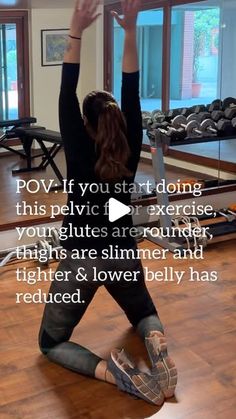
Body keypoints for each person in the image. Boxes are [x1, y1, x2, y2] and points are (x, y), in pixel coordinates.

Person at [39, 0, 177, 406]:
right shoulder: (131, 143)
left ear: (83, 123)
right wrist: (130, 30)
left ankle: (110, 371)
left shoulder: (79, 147)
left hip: (82, 257)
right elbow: (131, 87)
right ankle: (157, 348)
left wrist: (77, 29)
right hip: (123, 255)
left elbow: (67, 88)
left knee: (51, 342)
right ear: (118, 120)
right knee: (143, 315)